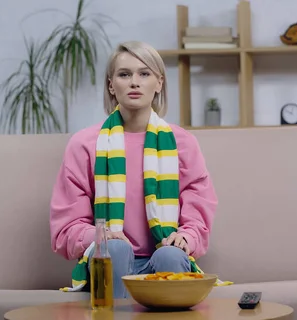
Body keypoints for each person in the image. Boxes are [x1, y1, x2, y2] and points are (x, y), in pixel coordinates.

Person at [49, 41, 219, 298]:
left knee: (170, 256)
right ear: (111, 85)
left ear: (159, 83)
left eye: (144, 73)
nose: (134, 82)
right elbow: (66, 227)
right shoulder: (84, 144)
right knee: (115, 250)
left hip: (163, 259)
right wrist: (100, 236)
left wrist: (187, 238)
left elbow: (198, 210)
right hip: (109, 260)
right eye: (124, 74)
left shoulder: (182, 143)